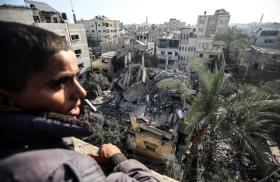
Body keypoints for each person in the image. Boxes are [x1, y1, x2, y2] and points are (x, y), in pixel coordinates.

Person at [0, 21, 159, 182]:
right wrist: (117, 159)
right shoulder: (69, 171)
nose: (81, 92)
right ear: (4, 100)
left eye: (76, 78)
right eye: (59, 83)